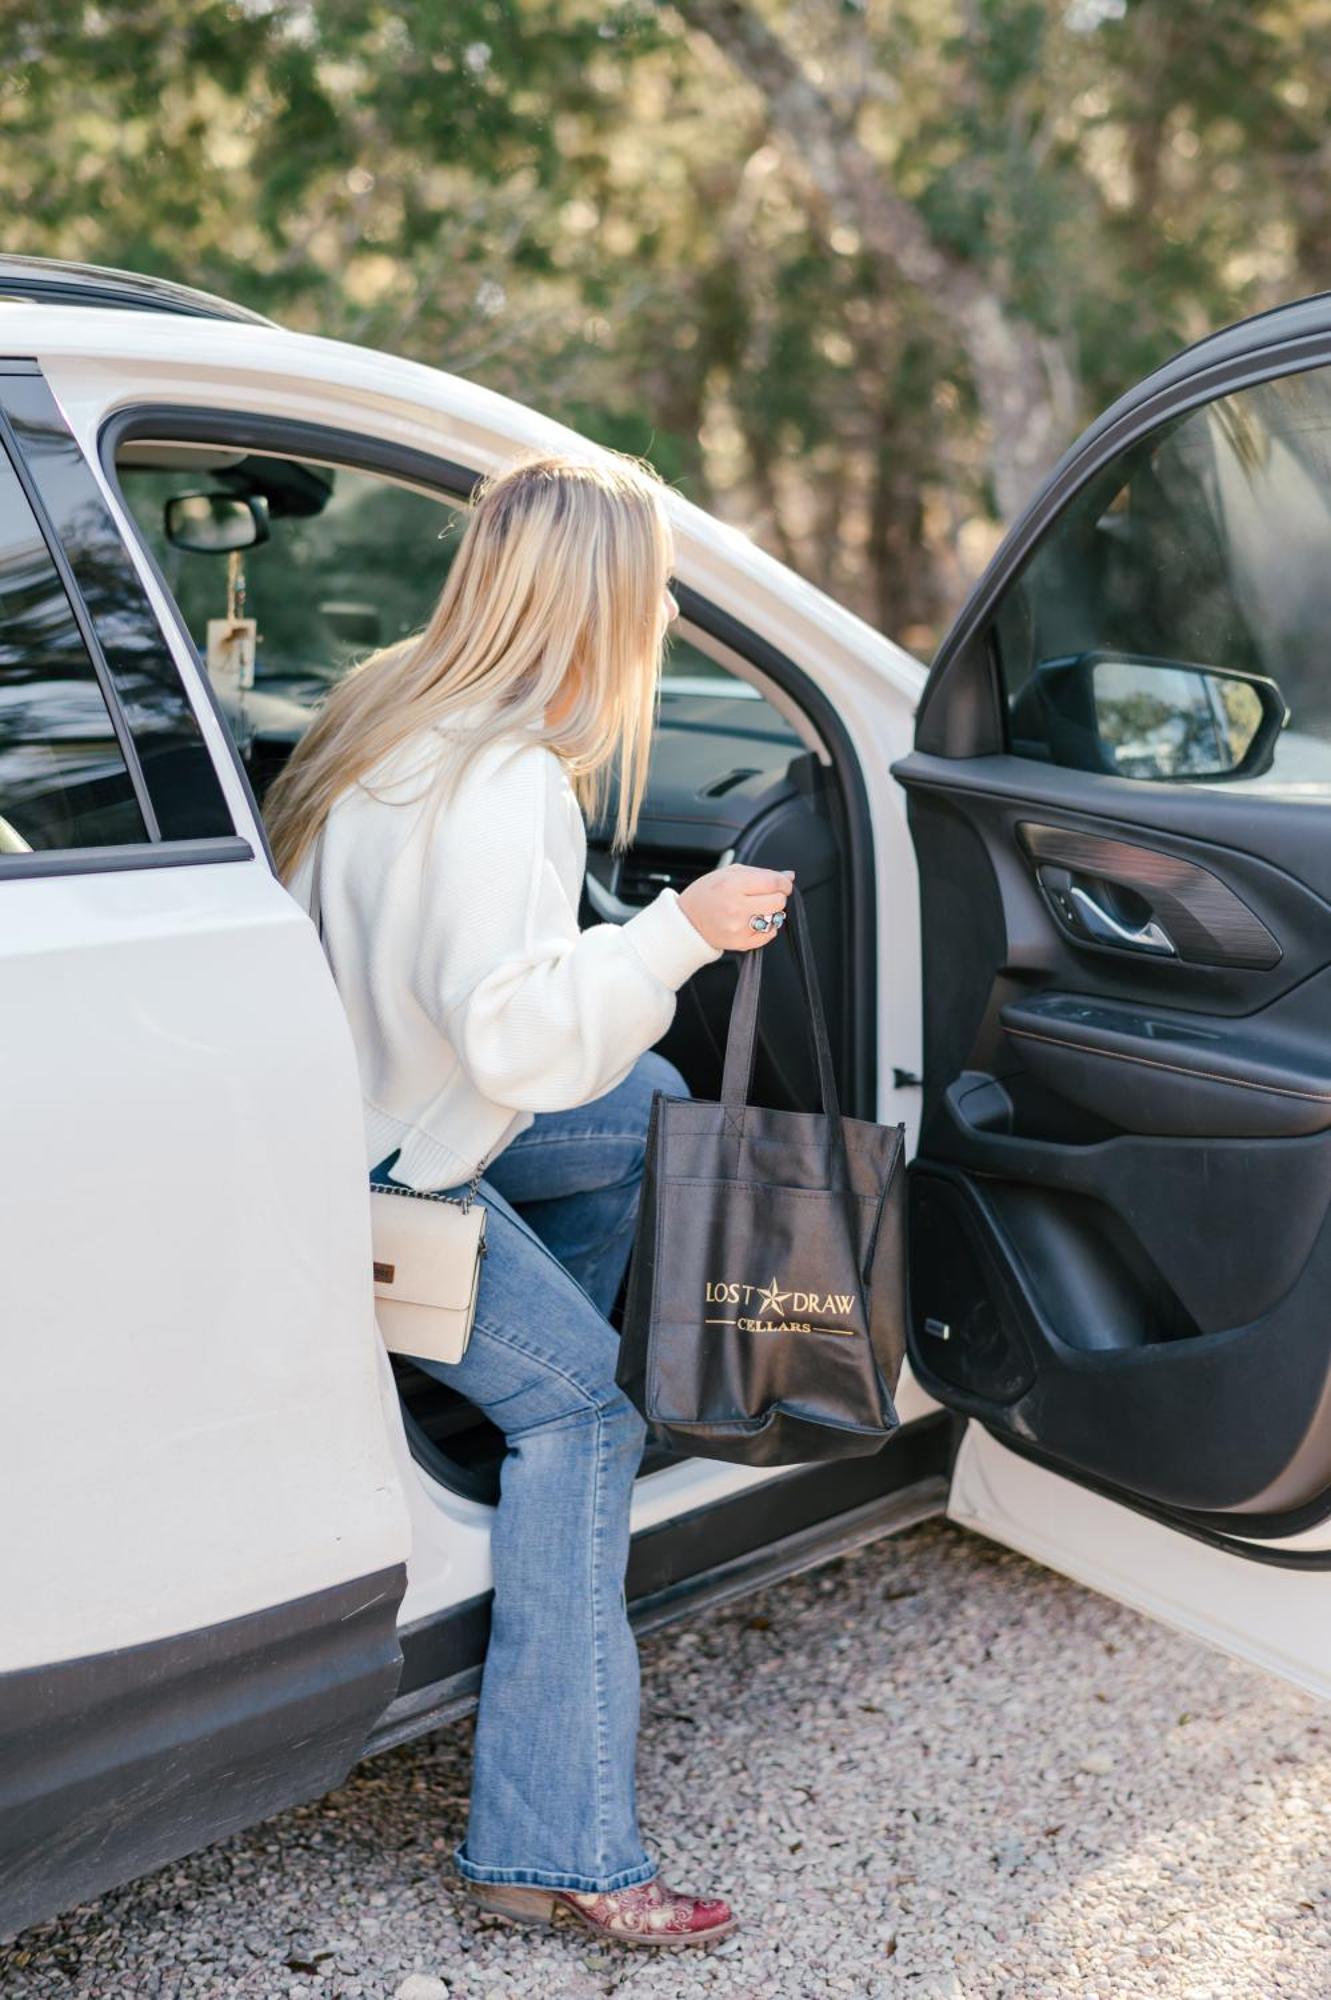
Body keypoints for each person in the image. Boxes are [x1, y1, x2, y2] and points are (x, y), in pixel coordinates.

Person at [266, 450, 793, 1949]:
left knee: (649, 1112)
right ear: (604, 602)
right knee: (586, 1420)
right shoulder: (507, 783)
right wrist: (681, 934)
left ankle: (503, 1398)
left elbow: (514, 1012)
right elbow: (511, 1031)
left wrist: (628, 947)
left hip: (353, 1107)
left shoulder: (392, 708)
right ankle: (558, 1847)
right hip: (393, 1175)